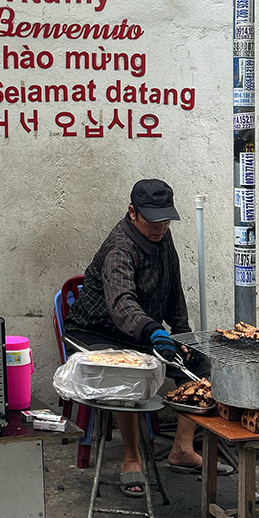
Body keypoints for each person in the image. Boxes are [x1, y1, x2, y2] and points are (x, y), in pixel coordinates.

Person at [64, 179, 208, 496]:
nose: (160, 227)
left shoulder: (163, 238)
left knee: (199, 364)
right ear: (133, 213)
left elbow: (173, 291)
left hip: (141, 332)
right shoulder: (120, 249)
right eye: (152, 220)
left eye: (165, 220)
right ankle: (132, 458)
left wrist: (183, 336)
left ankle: (182, 447)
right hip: (95, 331)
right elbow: (121, 302)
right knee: (127, 371)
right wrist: (153, 330)